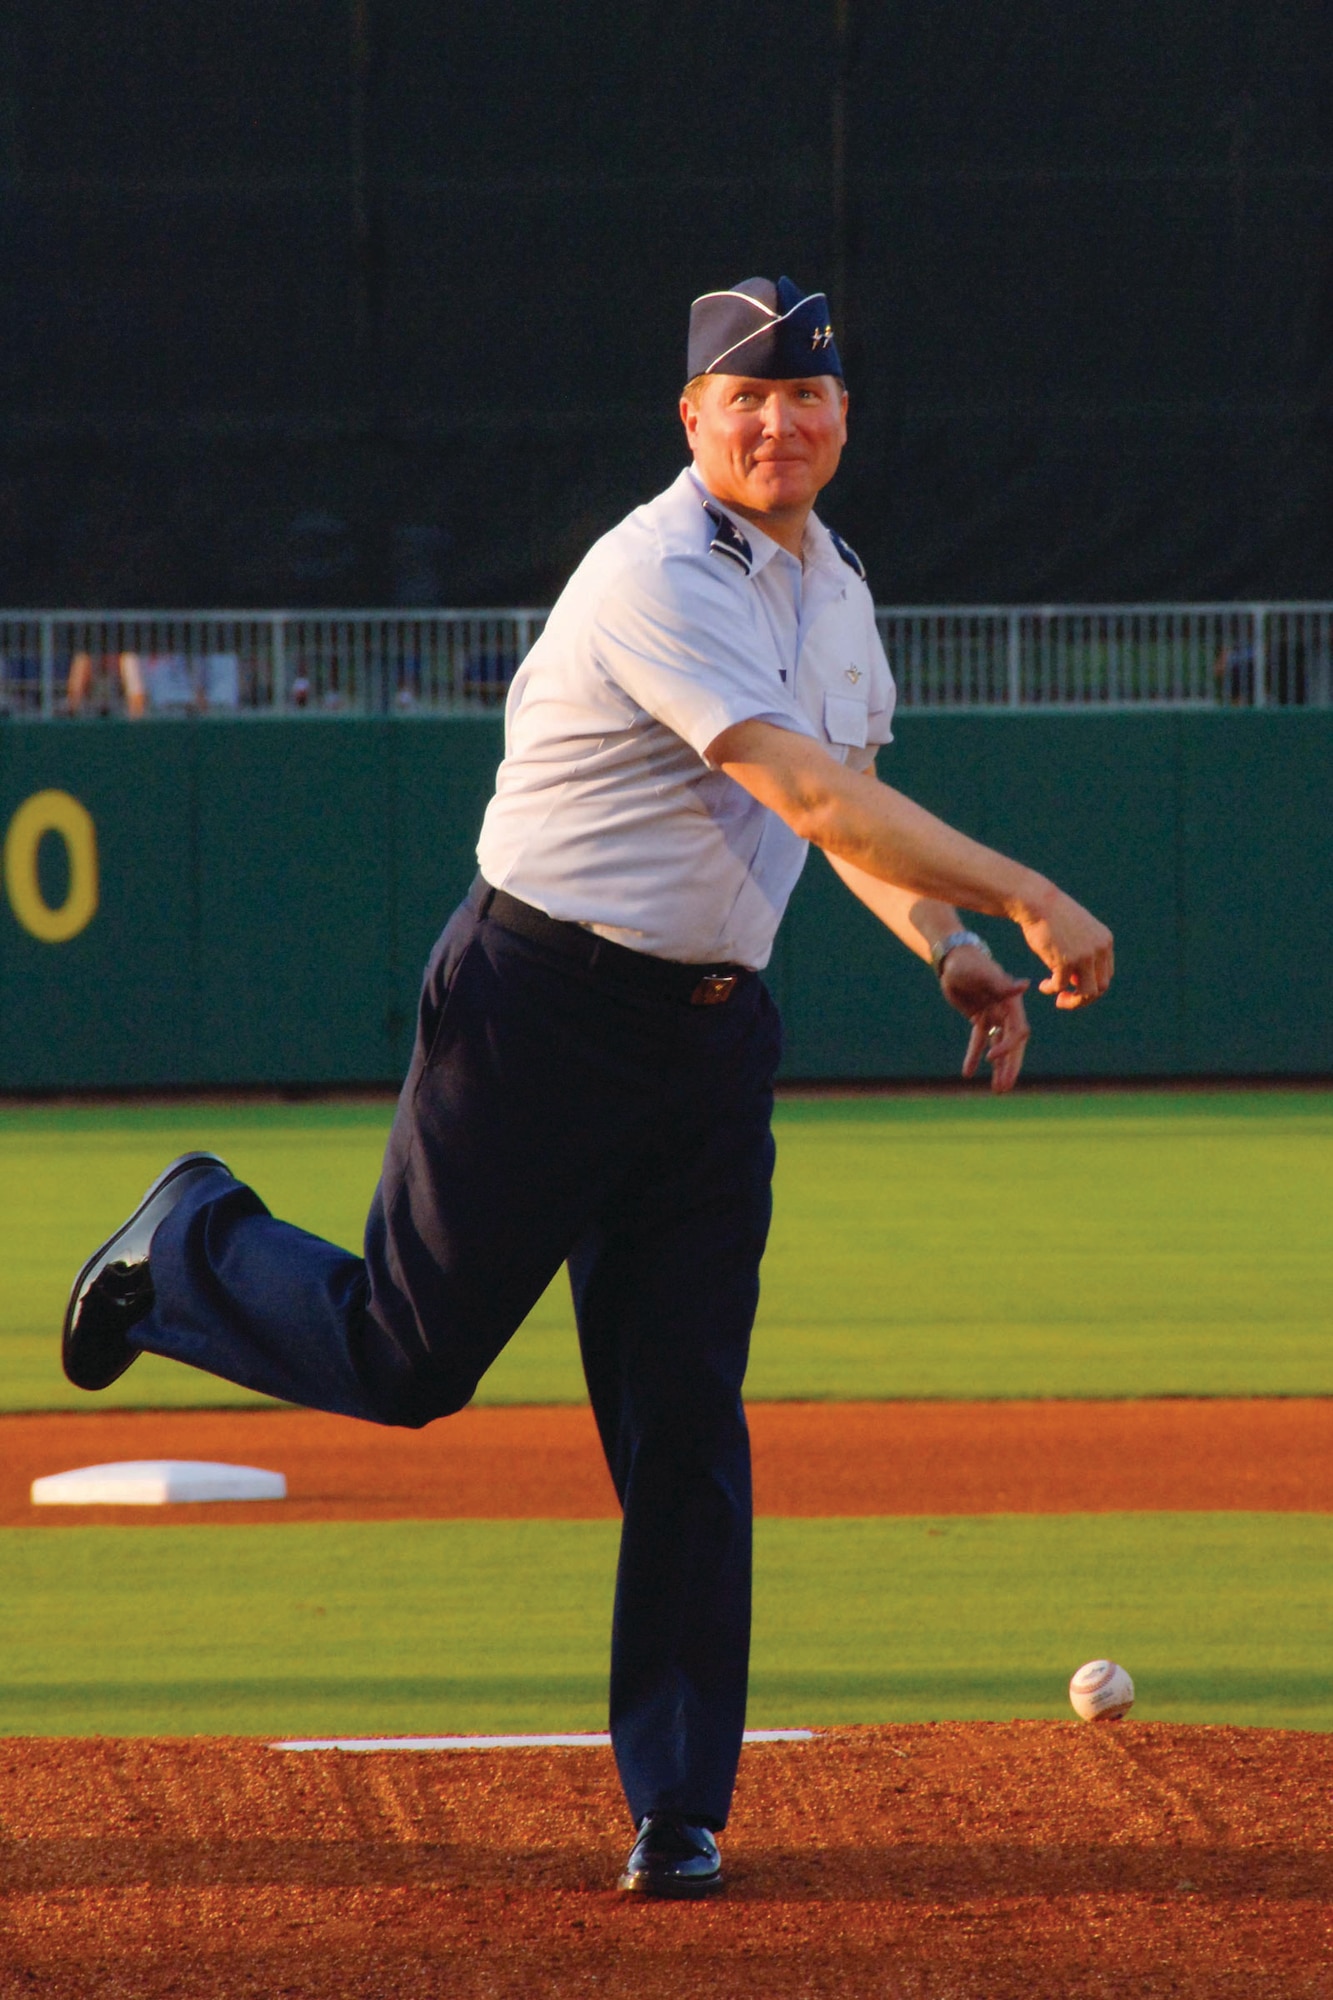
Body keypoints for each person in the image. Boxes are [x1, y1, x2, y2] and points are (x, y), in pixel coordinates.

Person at [63, 276, 1113, 1898]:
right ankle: (186, 1247)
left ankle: (679, 1805)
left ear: (844, 417)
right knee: (406, 1359)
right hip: (539, 1006)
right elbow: (796, 785)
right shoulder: (651, 571)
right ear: (689, 418)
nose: (779, 420)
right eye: (742, 396)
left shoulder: (836, 583)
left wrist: (940, 945)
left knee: (684, 1420)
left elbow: (849, 810)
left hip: (708, 1044)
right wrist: (1028, 894)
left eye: (807, 394)